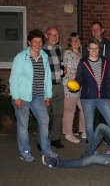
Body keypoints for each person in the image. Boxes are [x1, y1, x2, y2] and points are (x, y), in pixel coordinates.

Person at [9, 29, 58, 162]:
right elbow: (13, 79)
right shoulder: (21, 57)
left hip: (38, 97)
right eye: (35, 41)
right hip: (22, 98)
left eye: (40, 41)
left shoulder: (44, 56)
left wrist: (48, 95)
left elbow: (47, 78)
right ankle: (24, 152)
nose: (37, 44)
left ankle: (46, 149)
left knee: (44, 121)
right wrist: (16, 97)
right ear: (29, 42)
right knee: (23, 125)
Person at [75, 38, 110, 153]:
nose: (94, 51)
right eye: (91, 48)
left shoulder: (105, 61)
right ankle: (93, 149)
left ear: (99, 49)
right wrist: (75, 84)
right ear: (87, 49)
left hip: (103, 98)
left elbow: (109, 80)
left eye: (96, 48)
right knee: (89, 125)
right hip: (88, 98)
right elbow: (79, 78)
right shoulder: (83, 63)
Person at [40, 26, 65, 149]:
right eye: (52, 34)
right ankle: (43, 141)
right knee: (44, 116)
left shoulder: (60, 49)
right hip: (46, 88)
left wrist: (63, 69)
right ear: (46, 36)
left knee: (58, 114)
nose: (54, 37)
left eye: (57, 35)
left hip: (59, 85)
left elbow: (59, 65)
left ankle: (55, 139)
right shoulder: (41, 50)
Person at [62, 33, 86, 143]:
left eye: (77, 39)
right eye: (73, 40)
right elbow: (68, 70)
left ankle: (84, 130)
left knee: (84, 108)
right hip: (70, 86)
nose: (76, 42)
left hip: (81, 86)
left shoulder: (83, 54)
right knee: (70, 110)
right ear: (69, 42)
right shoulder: (68, 53)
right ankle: (68, 133)